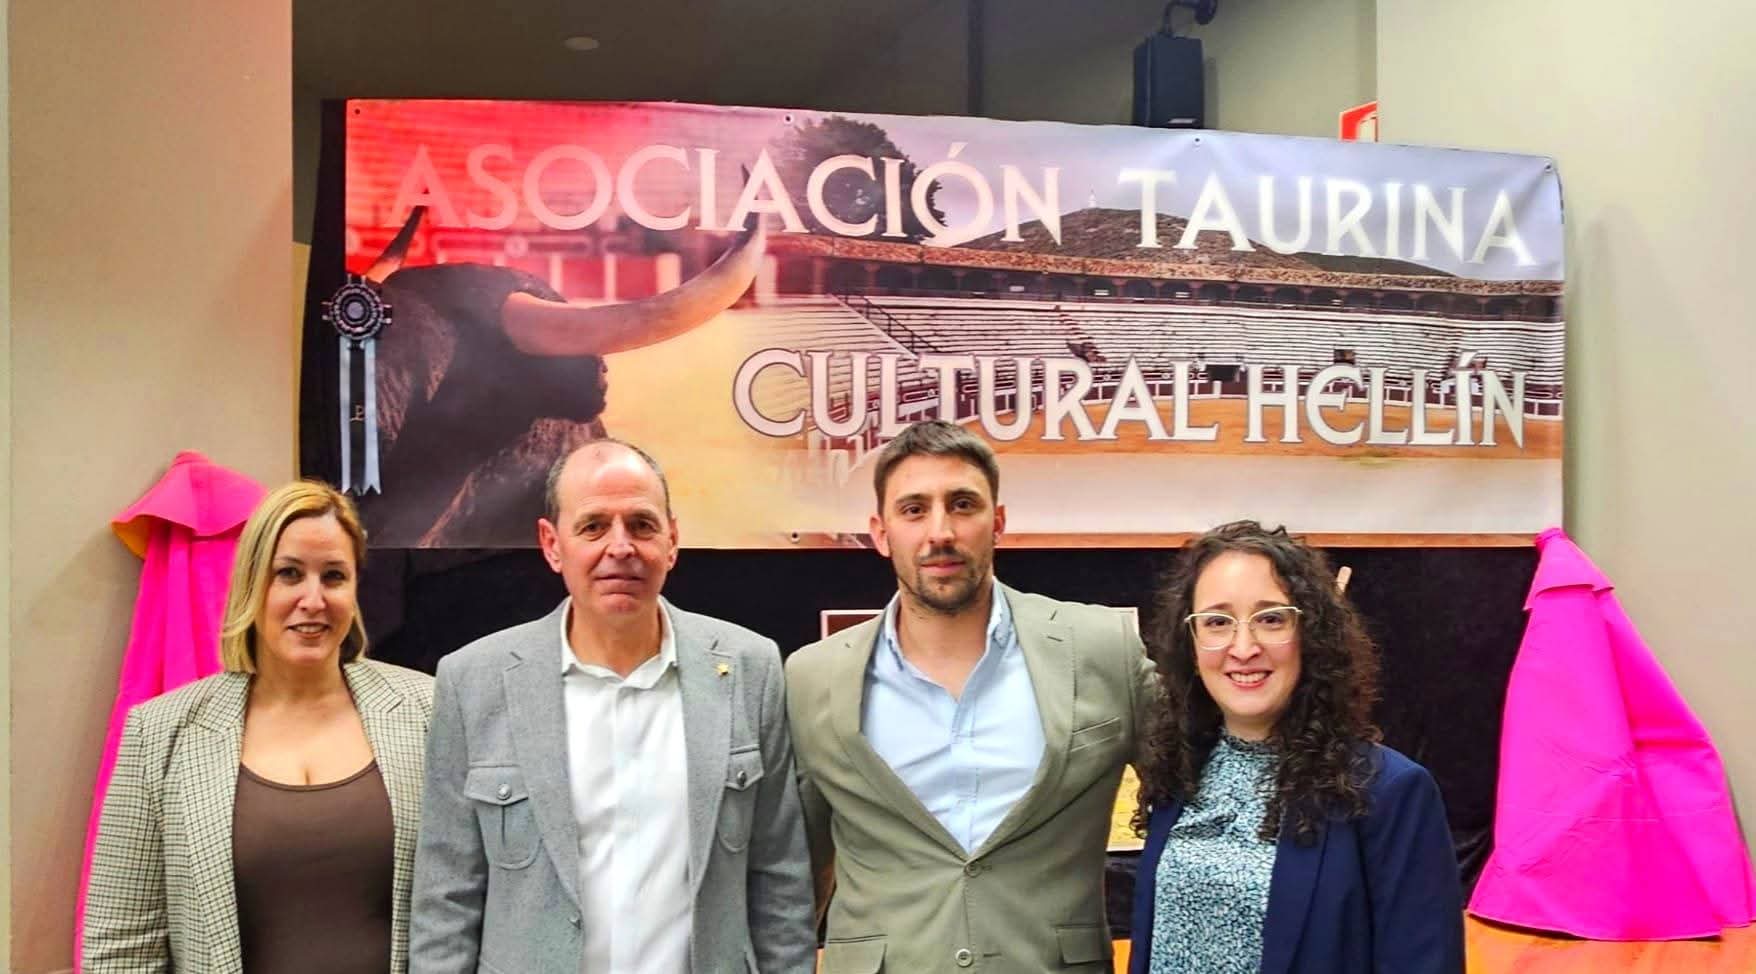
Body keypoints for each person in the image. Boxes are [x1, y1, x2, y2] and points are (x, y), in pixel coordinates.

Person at [409, 440, 815, 974]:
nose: (620, 547)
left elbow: (780, 881)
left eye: (642, 525)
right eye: (594, 526)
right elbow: (446, 897)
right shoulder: (474, 682)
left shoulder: (749, 670)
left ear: (672, 540)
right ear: (552, 545)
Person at [786, 419, 1158, 972]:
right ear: (880, 533)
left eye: (962, 505)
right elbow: (798, 874)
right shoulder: (811, 677)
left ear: (998, 522)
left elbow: (1197, 795)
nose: (940, 532)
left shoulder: (1102, 650)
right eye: (914, 509)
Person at [83, 481, 435, 974]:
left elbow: (470, 901)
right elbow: (121, 950)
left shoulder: (427, 710)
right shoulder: (159, 732)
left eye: (334, 576)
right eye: (288, 574)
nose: (313, 599)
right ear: (251, 584)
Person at [1129, 521, 1464, 974]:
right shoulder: (1179, 771)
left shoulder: (1389, 792)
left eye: (1271, 619)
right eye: (1217, 622)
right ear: (1191, 644)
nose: (1243, 647)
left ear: (1311, 634)